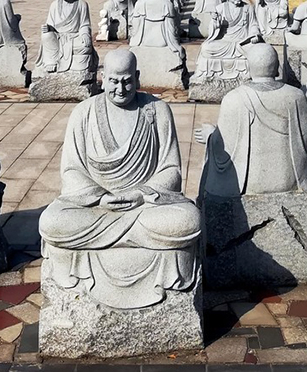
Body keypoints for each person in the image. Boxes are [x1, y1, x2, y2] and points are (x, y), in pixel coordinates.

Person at [38, 49, 201, 310]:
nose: (121, 88)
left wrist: (141, 194)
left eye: (127, 81)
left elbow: (171, 170)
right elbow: (71, 172)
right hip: (97, 209)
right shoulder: (84, 112)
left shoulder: (157, 110)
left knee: (188, 220)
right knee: (52, 223)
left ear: (136, 77)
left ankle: (116, 237)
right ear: (103, 77)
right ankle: (131, 237)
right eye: (114, 81)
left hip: (144, 207)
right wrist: (100, 197)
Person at [195, 44, 307, 195]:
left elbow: (222, 148)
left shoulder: (234, 99)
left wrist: (210, 135)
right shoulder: (296, 97)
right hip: (288, 181)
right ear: (277, 68)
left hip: (249, 183)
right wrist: (304, 108)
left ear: (248, 68)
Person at [33, 0, 95, 75]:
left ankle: (75, 66)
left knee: (85, 46)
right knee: (46, 36)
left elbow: (85, 24)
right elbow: (50, 24)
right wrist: (47, 28)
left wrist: (85, 35)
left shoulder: (82, 4)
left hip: (74, 37)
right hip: (58, 38)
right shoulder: (54, 5)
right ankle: (51, 61)